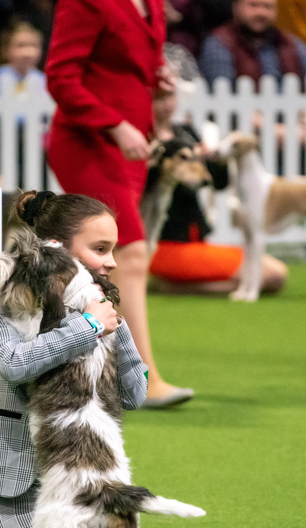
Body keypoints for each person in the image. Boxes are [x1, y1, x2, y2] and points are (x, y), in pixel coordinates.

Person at [0, 190, 154, 528]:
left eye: (112, 249)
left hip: (79, 486)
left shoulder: (98, 307)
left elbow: (134, 396)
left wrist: (116, 327)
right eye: (100, 249)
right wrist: (87, 328)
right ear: (57, 248)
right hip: (11, 487)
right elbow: (15, 365)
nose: (112, 261)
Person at [46, 0, 194, 408]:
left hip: (130, 146)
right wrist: (114, 122)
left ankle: (95, 371)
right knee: (128, 251)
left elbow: (130, 70)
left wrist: (156, 89)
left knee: (103, 259)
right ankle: (141, 378)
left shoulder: (154, 7)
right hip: (89, 142)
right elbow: (60, 78)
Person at [149, 85, 289, 293]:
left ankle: (174, 285)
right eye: (159, 98)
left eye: (170, 96)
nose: (167, 104)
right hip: (166, 243)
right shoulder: (146, 141)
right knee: (271, 274)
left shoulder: (185, 132)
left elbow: (219, 183)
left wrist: (212, 160)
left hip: (196, 241)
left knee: (273, 273)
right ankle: (175, 285)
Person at [197, 0, 306, 90]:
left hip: (293, 120)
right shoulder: (219, 43)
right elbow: (221, 95)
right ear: (236, 7)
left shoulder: (291, 43)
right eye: (253, 5)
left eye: (267, 7)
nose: (261, 12)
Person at [0, 19, 44, 96]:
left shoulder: (46, 83)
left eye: (33, 45)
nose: (27, 53)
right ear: (5, 49)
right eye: (21, 45)